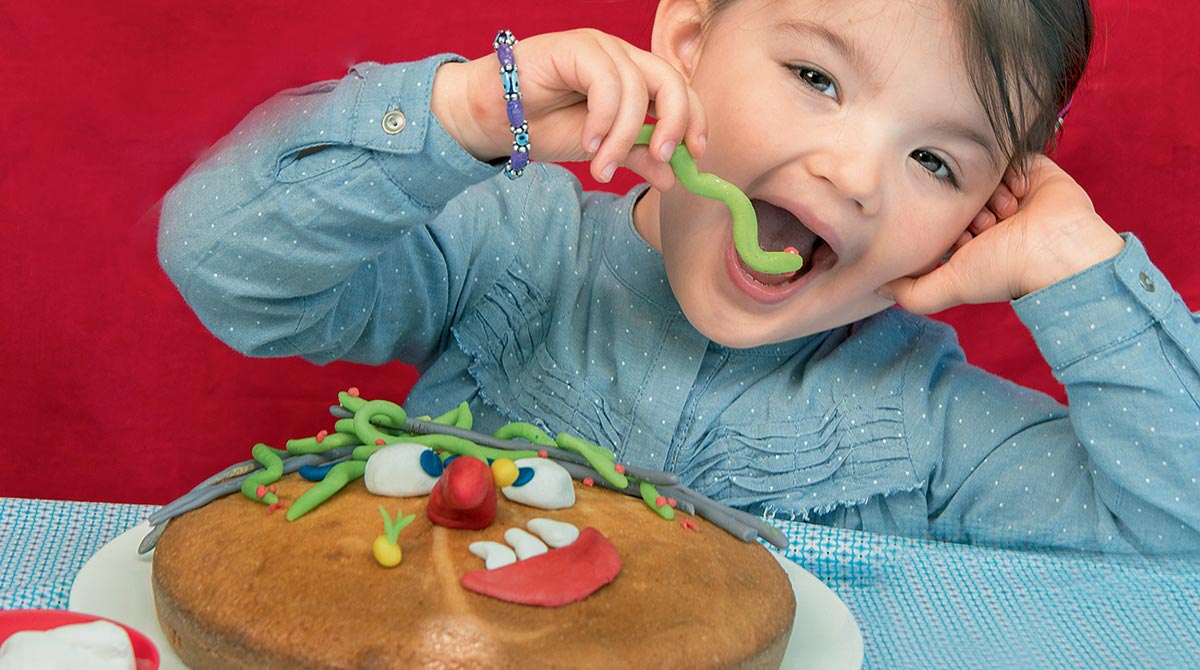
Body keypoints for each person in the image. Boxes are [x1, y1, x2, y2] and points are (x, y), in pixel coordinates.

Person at [157, 0, 1199, 555]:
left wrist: (1084, 274)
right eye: (817, 78)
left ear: (983, 217)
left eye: (937, 162)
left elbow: (1176, 533)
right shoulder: (507, 247)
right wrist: (469, 118)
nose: (854, 174)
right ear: (688, 46)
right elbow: (223, 262)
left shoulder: (928, 430)